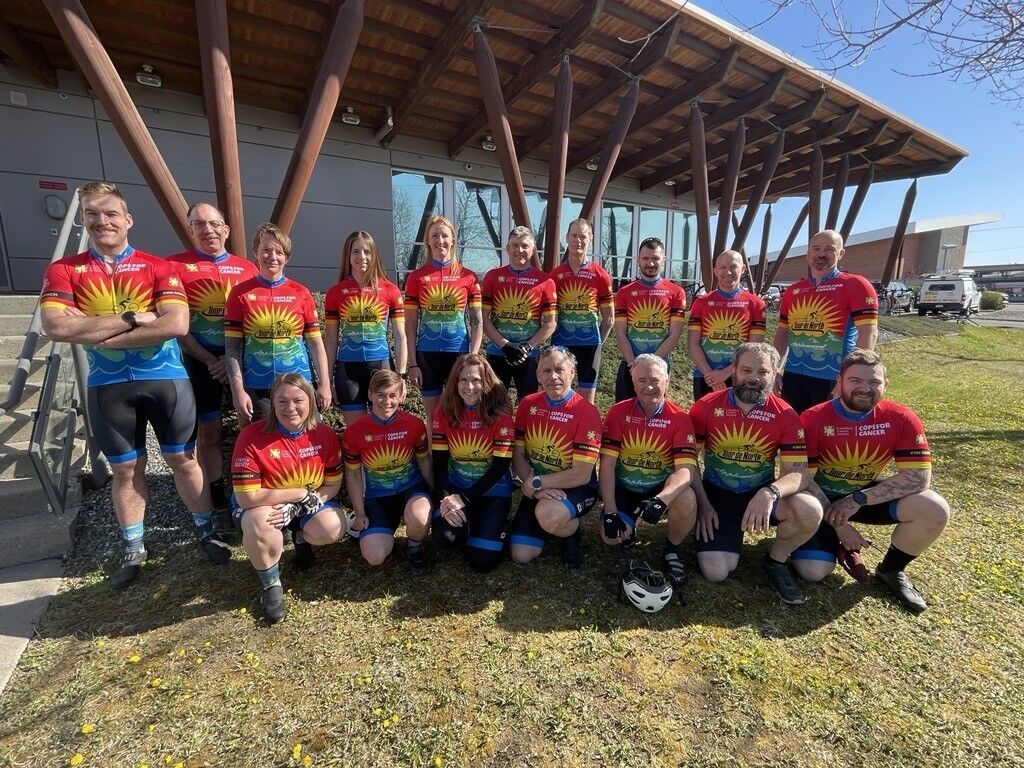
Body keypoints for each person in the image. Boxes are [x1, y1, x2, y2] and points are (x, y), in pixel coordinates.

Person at [40, 181, 224, 590]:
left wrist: (93, 333)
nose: (102, 221)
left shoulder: (159, 267)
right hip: (109, 386)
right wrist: (130, 320)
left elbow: (175, 324)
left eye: (110, 214)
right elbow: (56, 327)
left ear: (128, 220)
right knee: (125, 470)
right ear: (84, 220)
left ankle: (205, 532)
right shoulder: (65, 270)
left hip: (165, 379)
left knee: (184, 460)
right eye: (92, 214)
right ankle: (134, 547)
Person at [791, 349, 949, 613]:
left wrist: (857, 500)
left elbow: (919, 478)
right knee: (812, 572)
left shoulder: (901, 418)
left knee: (934, 508)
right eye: (855, 381)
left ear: (885, 384)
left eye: (874, 382)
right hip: (820, 498)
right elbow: (800, 477)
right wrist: (840, 524)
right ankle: (840, 545)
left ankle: (892, 570)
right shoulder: (814, 418)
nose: (865, 388)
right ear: (839, 382)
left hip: (862, 497)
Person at [689, 342, 823, 604]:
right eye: (746, 370)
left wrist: (770, 491)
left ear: (775, 373)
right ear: (734, 371)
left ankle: (776, 560)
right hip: (717, 496)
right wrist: (703, 504)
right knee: (716, 572)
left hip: (761, 494)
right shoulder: (706, 405)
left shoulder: (785, 414)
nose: (753, 378)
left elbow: (798, 474)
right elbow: (686, 459)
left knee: (809, 509)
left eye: (762, 372)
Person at [231, 373, 346, 623]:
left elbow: (333, 485)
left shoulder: (325, 435)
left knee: (334, 527)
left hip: (304, 506)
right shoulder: (251, 436)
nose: (290, 408)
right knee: (260, 521)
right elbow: (247, 497)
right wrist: (297, 494)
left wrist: (299, 507)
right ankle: (271, 585)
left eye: (298, 400)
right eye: (282, 401)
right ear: (272, 403)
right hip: (262, 506)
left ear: (311, 402)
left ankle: (300, 539)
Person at [166, 202, 258, 512]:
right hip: (199, 359)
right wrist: (208, 359)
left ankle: (249, 489)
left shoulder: (248, 268)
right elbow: (175, 324)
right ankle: (217, 495)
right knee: (209, 431)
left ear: (226, 230)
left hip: (242, 358)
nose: (208, 230)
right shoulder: (174, 266)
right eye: (199, 224)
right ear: (190, 230)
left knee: (250, 425)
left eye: (214, 223)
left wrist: (230, 361)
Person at [599, 355, 698, 596]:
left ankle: (671, 548)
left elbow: (686, 470)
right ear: (632, 383)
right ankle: (628, 526)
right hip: (625, 490)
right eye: (641, 380)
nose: (648, 386)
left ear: (667, 380)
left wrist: (661, 500)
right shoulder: (617, 412)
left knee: (686, 499)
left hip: (659, 491)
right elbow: (607, 466)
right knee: (609, 538)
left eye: (655, 380)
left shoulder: (680, 418)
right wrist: (610, 511)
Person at [224, 223, 331, 427]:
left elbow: (316, 345)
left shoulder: (302, 293)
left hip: (300, 385)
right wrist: (238, 391)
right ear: (256, 252)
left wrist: (325, 385)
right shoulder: (239, 294)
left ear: (287, 257)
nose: (272, 256)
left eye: (279, 252)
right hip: (258, 386)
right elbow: (232, 348)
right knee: (265, 448)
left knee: (305, 444)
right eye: (266, 250)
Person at [510, 346, 602, 567]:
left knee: (548, 515)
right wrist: (532, 485)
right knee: (521, 555)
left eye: (560, 370)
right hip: (537, 485)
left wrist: (537, 483)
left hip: (576, 487)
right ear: (537, 375)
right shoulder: (527, 404)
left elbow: (581, 474)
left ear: (572, 372)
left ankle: (571, 530)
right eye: (546, 371)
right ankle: (551, 521)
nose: (553, 377)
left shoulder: (586, 412)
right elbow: (518, 453)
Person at [773, 230, 878, 414]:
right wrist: (776, 370)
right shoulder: (793, 291)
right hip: (794, 375)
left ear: (841, 253)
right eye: (816, 248)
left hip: (833, 377)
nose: (821, 254)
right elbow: (782, 333)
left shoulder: (856, 285)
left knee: (828, 433)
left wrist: (851, 377)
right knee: (795, 431)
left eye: (829, 249)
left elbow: (869, 333)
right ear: (808, 253)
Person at [342, 369, 433, 575]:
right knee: (375, 557)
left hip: (411, 488)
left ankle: (414, 545)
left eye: (393, 395)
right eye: (380, 395)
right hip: (377, 496)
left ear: (401, 396)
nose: (387, 401)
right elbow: (354, 474)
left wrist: (434, 490)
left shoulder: (414, 424)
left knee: (419, 517)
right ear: (370, 395)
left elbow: (424, 459)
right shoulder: (354, 431)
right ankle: (376, 529)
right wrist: (360, 511)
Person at [431, 354, 515, 573]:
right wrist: (447, 499)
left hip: (493, 491)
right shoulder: (444, 411)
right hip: (456, 490)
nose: (470, 387)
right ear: (455, 382)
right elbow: (439, 463)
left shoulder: (501, 413)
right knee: (444, 538)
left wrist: (464, 499)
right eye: (463, 380)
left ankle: (495, 524)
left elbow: (500, 467)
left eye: (477, 380)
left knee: (481, 562)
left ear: (486, 381)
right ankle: (473, 524)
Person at [403, 214, 482, 427]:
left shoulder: (469, 276)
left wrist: (473, 357)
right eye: (434, 235)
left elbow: (477, 322)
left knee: (461, 414)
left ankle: (459, 458)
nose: (440, 240)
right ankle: (435, 460)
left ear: (453, 239)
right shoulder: (416, 277)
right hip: (426, 355)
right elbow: (409, 325)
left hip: (459, 353)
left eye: (445, 235)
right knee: (433, 417)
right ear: (428, 240)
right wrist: (412, 363)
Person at [324, 231, 407, 425]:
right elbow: (330, 340)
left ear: (374, 254)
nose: (362, 257)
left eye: (367, 251)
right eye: (356, 251)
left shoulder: (390, 290)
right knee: (356, 431)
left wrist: (401, 376)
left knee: (384, 429)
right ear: (348, 255)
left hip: (381, 365)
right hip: (348, 369)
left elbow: (400, 336)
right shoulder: (335, 292)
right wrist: (326, 381)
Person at [481, 227, 556, 400]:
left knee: (528, 407)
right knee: (494, 406)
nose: (519, 250)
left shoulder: (545, 281)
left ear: (533, 250)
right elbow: (483, 318)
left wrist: (528, 346)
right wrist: (505, 344)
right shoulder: (492, 277)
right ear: (507, 248)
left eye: (524, 246)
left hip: (529, 355)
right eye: (514, 245)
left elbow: (551, 323)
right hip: (498, 352)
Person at [612, 237, 686, 402]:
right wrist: (633, 362)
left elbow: (674, 335)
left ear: (664, 260)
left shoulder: (677, 292)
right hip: (630, 363)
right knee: (625, 411)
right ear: (638, 260)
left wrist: (650, 364)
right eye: (645, 258)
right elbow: (620, 332)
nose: (650, 264)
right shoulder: (625, 292)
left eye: (655, 259)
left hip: (660, 363)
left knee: (655, 413)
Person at [688, 250, 766, 402]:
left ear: (743, 269)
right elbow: (693, 343)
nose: (728, 272)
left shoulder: (756, 304)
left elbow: (754, 347)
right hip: (705, 375)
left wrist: (725, 373)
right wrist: (709, 374)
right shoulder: (701, 303)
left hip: (740, 377)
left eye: (733, 267)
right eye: (722, 267)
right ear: (715, 271)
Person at [549, 219, 614, 404]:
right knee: (558, 394)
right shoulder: (555, 275)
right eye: (574, 236)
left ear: (590, 239)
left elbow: (609, 318)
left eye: (583, 236)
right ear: (567, 238)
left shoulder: (600, 274)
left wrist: (597, 341)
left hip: (590, 345)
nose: (578, 240)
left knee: (586, 401)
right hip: (561, 343)